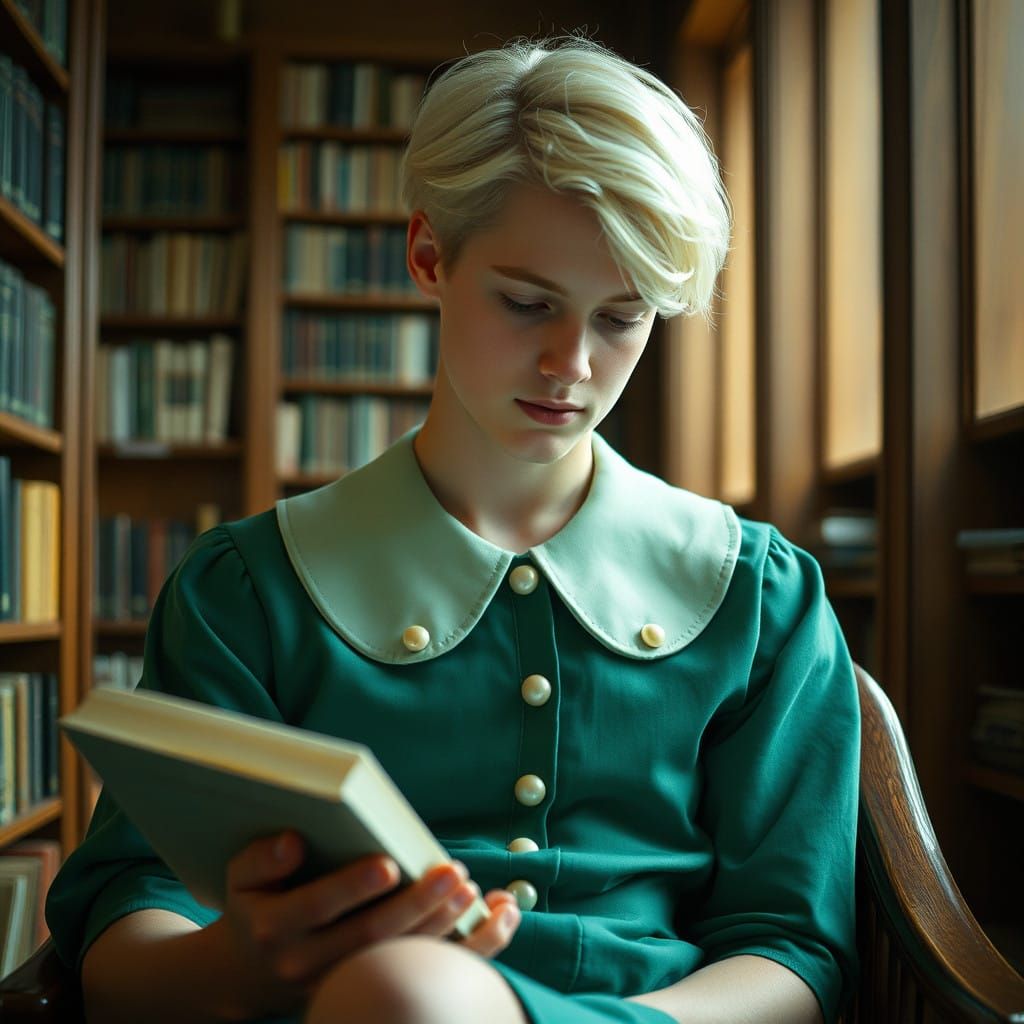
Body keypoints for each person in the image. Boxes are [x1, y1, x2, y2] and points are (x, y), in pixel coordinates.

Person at [46, 33, 860, 1024]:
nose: (573, 364)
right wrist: (251, 964)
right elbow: (121, 934)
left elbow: (794, 949)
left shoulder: (760, 596)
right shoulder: (246, 593)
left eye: (622, 317)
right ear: (428, 254)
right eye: (528, 303)